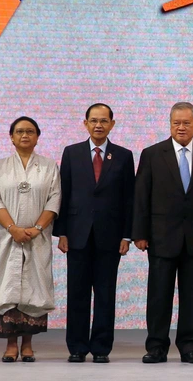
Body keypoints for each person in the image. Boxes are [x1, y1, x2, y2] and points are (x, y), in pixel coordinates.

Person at [132, 102, 193, 364]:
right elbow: (141, 197)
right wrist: (139, 233)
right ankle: (156, 346)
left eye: (186, 122)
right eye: (176, 123)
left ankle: (190, 346)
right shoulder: (152, 154)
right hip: (161, 237)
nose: (181, 127)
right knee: (159, 295)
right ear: (170, 124)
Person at [54, 103, 135, 363]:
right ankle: (77, 346)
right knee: (76, 293)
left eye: (103, 121)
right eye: (93, 120)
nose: (98, 125)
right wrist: (62, 232)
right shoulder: (72, 153)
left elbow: (128, 200)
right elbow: (63, 194)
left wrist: (126, 235)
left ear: (112, 123)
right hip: (77, 235)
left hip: (110, 237)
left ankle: (101, 347)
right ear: (85, 123)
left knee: (105, 294)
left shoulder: (124, 155)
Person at [0, 116, 61, 363]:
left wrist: (38, 227)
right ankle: (10, 345)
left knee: (34, 286)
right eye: (19, 131)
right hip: (8, 237)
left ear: (38, 136)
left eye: (30, 131)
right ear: (11, 137)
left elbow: (54, 199)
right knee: (9, 285)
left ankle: (28, 345)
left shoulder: (49, 166)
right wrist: (13, 228)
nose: (25, 135)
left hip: (38, 237)